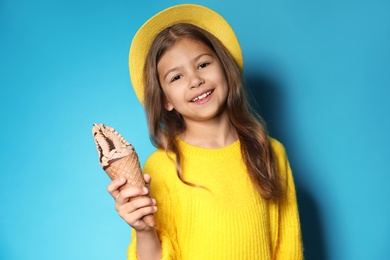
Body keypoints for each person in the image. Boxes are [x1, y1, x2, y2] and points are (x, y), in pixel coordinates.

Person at [107, 4, 303, 260]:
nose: (194, 80)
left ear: (224, 69)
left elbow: (288, 250)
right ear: (166, 100)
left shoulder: (271, 153)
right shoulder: (161, 168)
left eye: (202, 64)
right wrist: (143, 232)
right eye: (176, 77)